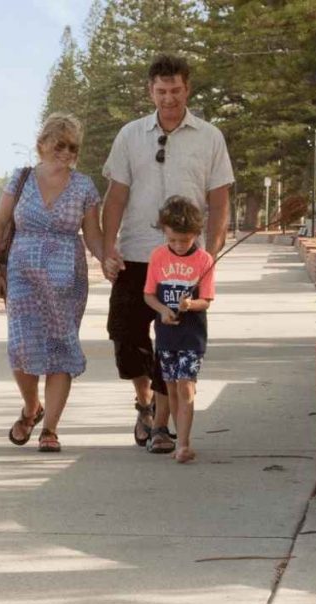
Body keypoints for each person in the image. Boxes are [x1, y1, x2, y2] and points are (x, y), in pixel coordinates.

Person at [101, 54, 233, 455]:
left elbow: (219, 196)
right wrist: (109, 246)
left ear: (187, 88)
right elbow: (116, 194)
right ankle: (144, 402)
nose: (169, 98)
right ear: (150, 91)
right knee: (125, 334)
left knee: (173, 340)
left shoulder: (209, 136)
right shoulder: (130, 135)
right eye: (161, 91)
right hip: (138, 251)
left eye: (175, 90)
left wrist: (209, 251)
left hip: (184, 258)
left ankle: (161, 426)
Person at [0, 113, 104, 453]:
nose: (67, 152)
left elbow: (94, 236)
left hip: (66, 279)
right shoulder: (21, 178)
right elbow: (0, 222)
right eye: (60, 145)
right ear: (42, 145)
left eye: (73, 147)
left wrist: (108, 258)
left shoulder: (85, 186)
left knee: (60, 347)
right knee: (22, 348)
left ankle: (51, 429)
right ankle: (32, 407)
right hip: (22, 274)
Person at [143, 197, 215, 464]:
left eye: (184, 241)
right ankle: (178, 440)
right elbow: (149, 295)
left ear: (196, 234)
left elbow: (206, 300)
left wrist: (190, 304)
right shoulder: (158, 257)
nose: (178, 246)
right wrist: (163, 310)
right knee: (171, 387)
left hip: (191, 336)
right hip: (166, 335)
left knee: (186, 386)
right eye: (172, 240)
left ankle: (184, 443)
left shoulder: (204, 260)